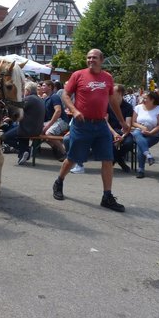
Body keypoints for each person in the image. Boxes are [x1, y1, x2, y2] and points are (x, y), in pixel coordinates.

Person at [52, 49, 130, 212]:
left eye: (94, 57)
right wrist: (74, 110)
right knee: (73, 158)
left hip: (101, 124)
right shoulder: (78, 75)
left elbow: (113, 101)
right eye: (88, 57)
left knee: (107, 159)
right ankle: (59, 181)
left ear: (101, 60)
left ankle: (107, 196)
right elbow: (65, 95)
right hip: (82, 124)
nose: (90, 60)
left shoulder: (107, 77)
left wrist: (122, 121)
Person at [3, 82, 45, 165]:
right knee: (20, 136)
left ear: (28, 91)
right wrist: (10, 118)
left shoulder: (29, 99)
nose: (23, 91)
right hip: (37, 129)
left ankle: (26, 150)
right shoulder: (39, 99)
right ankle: (23, 154)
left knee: (4, 137)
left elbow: (17, 108)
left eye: (24, 90)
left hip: (27, 129)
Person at [131, 91, 159, 178]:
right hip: (140, 132)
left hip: (153, 134)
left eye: (145, 98)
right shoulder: (138, 107)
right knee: (136, 133)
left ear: (152, 100)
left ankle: (141, 168)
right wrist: (142, 127)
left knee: (141, 145)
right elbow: (133, 122)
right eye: (143, 98)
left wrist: (150, 132)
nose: (143, 100)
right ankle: (147, 157)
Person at [107, 84, 133, 173]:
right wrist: (114, 134)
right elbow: (105, 122)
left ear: (120, 93)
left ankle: (115, 159)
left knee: (129, 143)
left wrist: (123, 136)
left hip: (123, 131)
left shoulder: (128, 107)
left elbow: (128, 124)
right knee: (110, 141)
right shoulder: (108, 105)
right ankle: (121, 163)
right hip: (111, 130)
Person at [42, 80, 68, 158]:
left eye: (44, 85)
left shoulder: (54, 96)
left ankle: (64, 153)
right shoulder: (46, 98)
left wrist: (48, 125)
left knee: (48, 133)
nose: (42, 87)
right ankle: (55, 147)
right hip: (52, 121)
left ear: (50, 87)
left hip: (62, 121)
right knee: (37, 130)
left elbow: (58, 111)